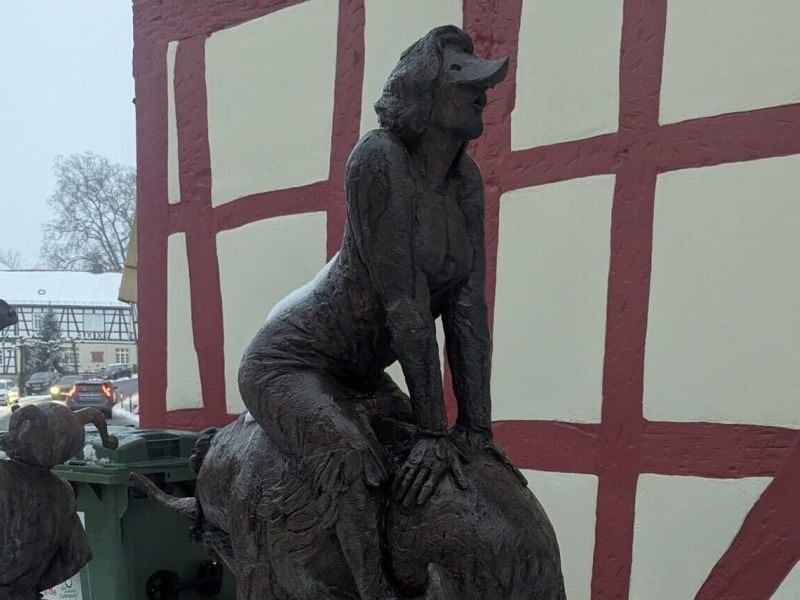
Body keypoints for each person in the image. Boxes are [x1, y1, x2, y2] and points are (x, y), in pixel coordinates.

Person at [238, 25, 524, 600]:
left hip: (360, 373)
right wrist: (434, 431)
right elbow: (406, 308)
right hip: (290, 364)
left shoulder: (464, 179)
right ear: (424, 95)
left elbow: (468, 311)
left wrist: (475, 428)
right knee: (351, 458)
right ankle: (374, 591)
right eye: (464, 84)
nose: (483, 94)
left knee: (417, 457)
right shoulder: (378, 159)